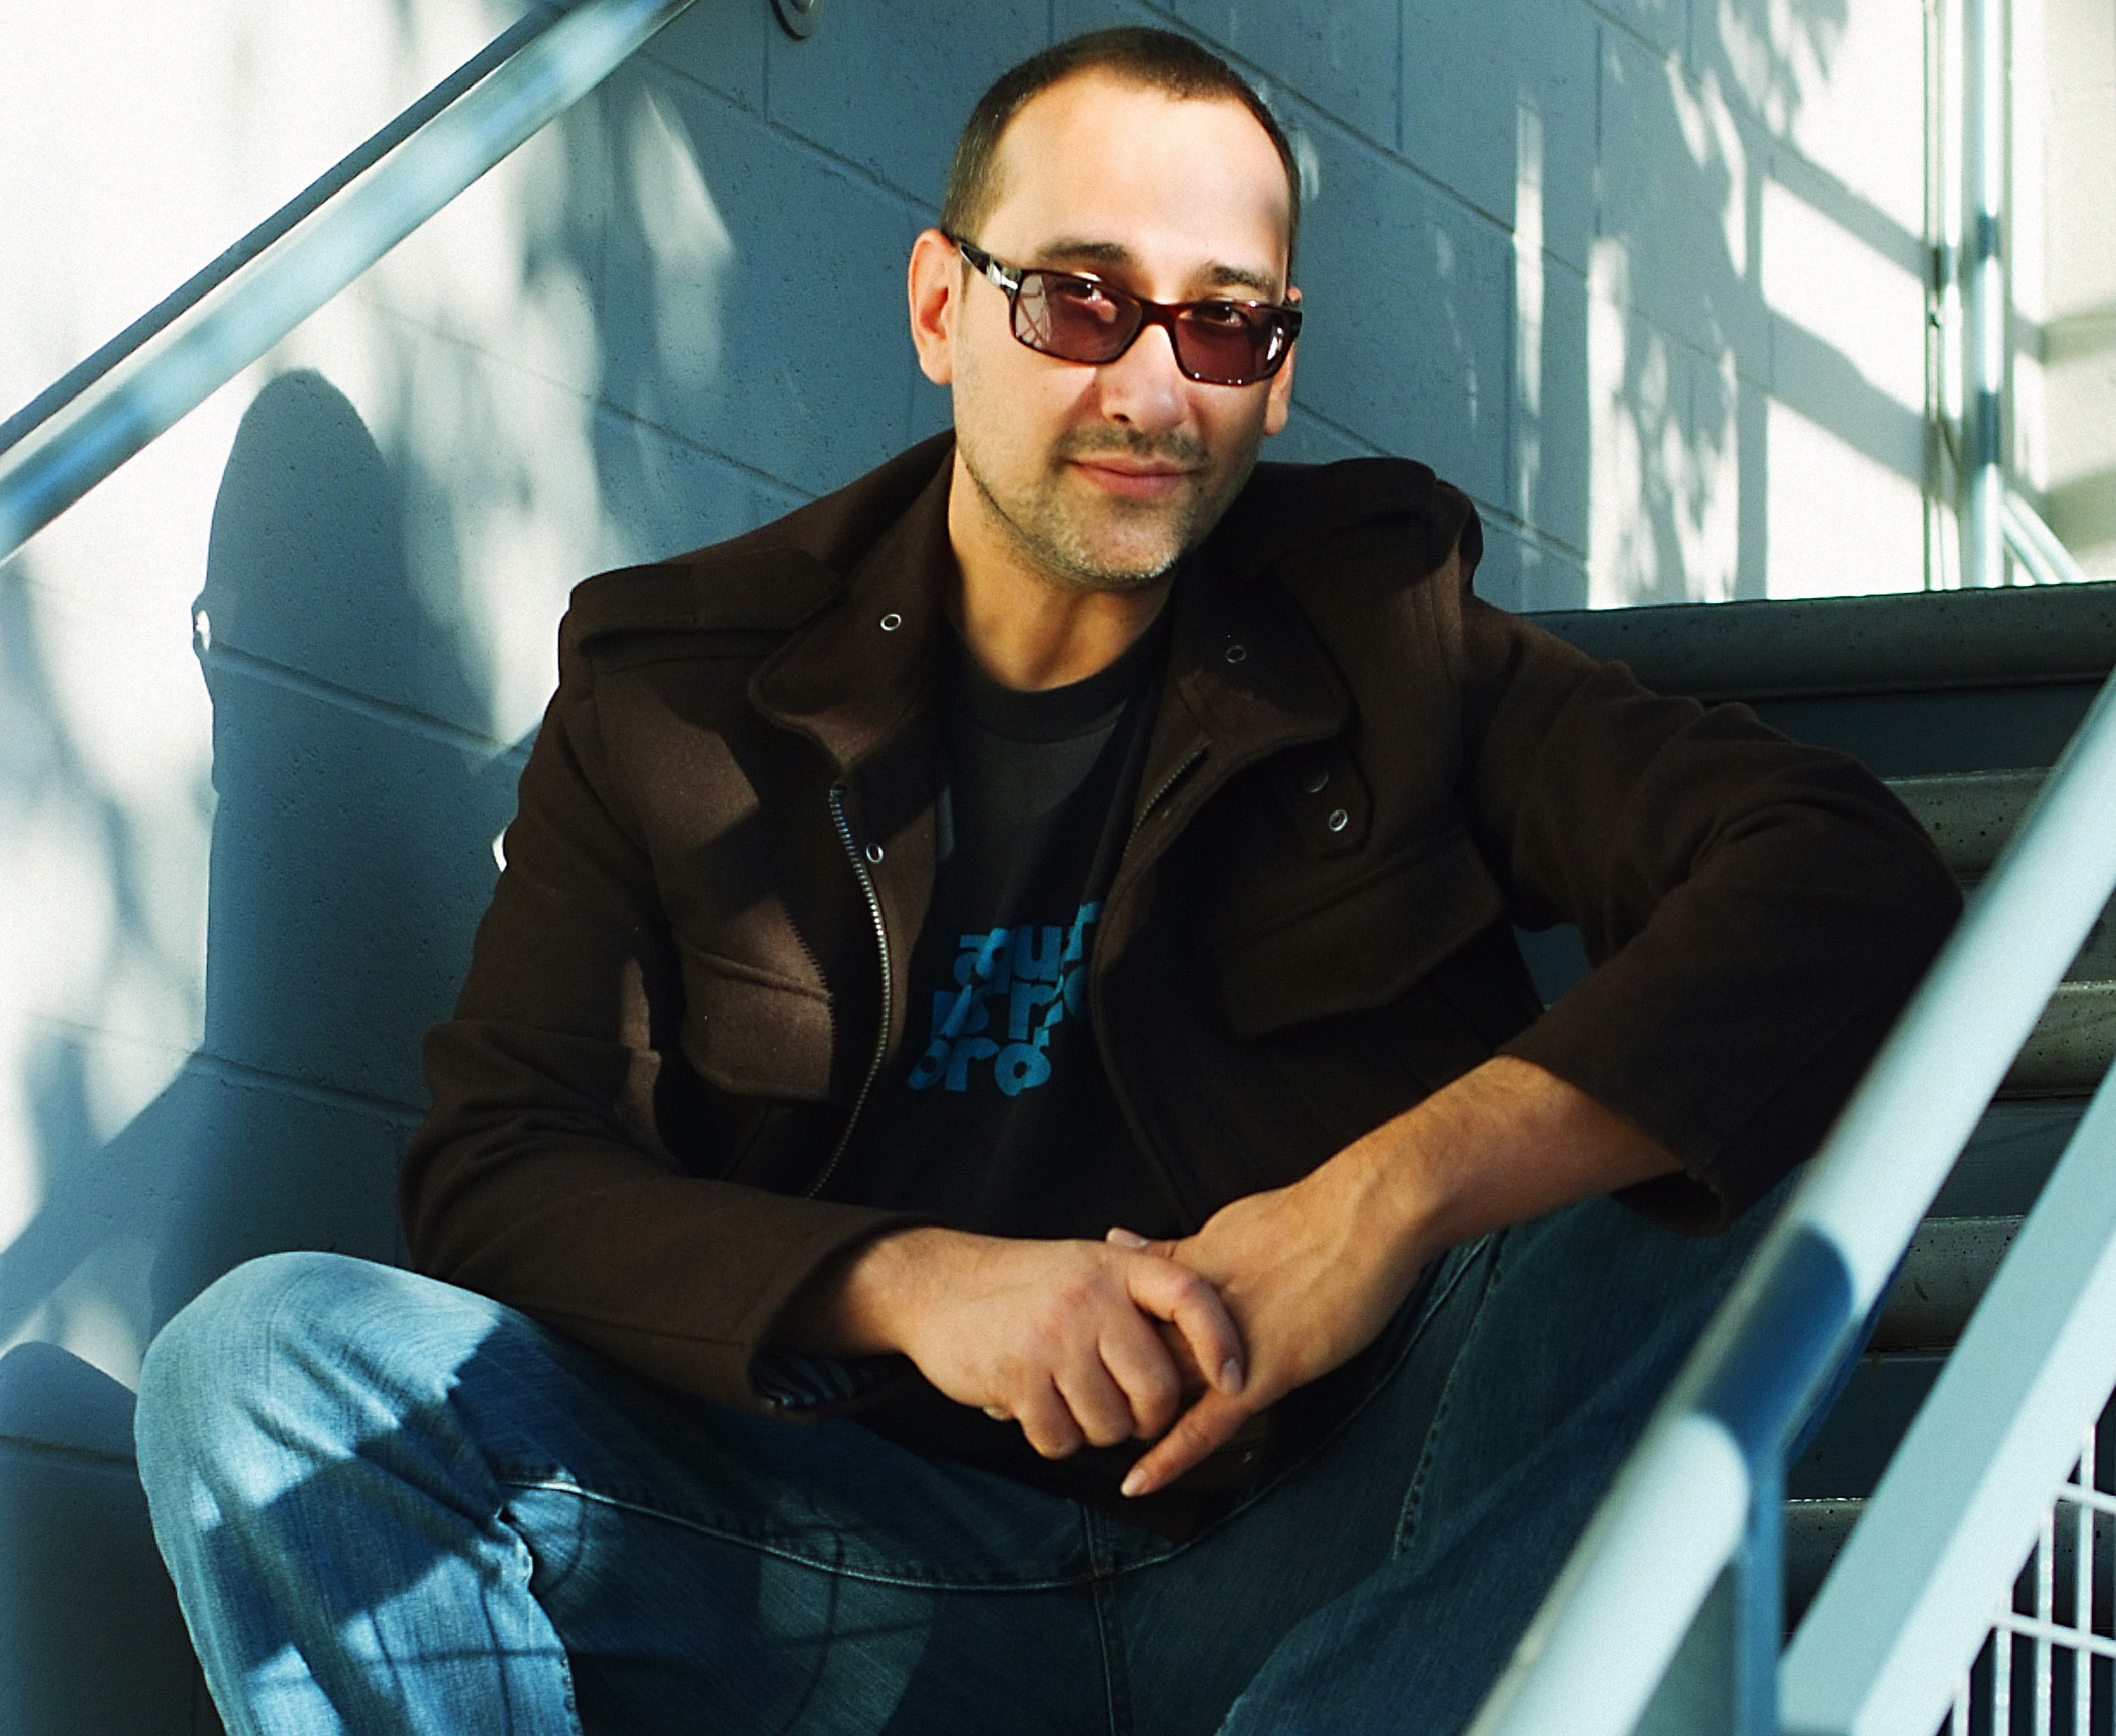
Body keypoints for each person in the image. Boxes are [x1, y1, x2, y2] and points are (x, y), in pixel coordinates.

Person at [133, 26, 1960, 1736]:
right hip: (839, 1556)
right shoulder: (680, 697)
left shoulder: (1385, 633)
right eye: (1080, 299)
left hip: (1327, 1542)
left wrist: (1375, 1208)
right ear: (945, 306)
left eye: (1223, 326)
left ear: (1279, 372)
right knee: (263, 1364)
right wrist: (918, 1285)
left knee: (1746, 1136)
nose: (1150, 387)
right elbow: (499, 1172)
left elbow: (1837, 879)